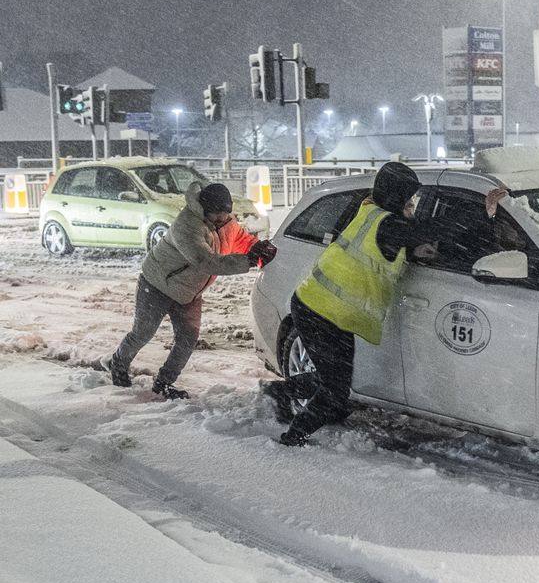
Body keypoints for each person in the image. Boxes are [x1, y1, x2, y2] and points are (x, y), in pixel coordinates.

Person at [273, 162, 438, 446]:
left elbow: (396, 245)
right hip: (321, 312)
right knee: (335, 392)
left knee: (335, 380)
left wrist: (412, 249)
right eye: (409, 198)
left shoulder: (371, 211)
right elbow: (434, 230)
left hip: (322, 309)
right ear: (397, 196)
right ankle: (293, 437)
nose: (412, 204)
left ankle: (282, 391)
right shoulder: (389, 223)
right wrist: (488, 211)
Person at [108, 182, 275, 400]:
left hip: (189, 293)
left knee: (187, 339)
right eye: (216, 214)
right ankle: (118, 364)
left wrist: (256, 248)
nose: (221, 219)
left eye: (225, 214)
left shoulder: (225, 222)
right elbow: (206, 261)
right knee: (143, 333)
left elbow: (240, 239)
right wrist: (249, 261)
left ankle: (164, 383)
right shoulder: (187, 225)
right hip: (157, 285)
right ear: (204, 208)